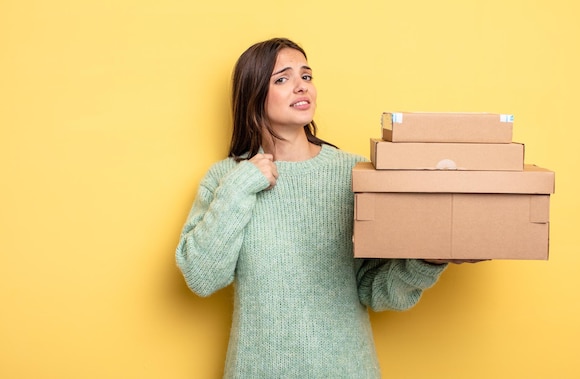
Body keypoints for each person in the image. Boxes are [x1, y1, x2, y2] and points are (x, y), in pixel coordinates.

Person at [176, 37, 460, 378]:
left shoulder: (354, 174)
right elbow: (202, 277)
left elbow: (375, 290)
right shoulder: (226, 178)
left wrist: (428, 260)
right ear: (253, 94)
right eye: (282, 79)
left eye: (306, 76)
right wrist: (242, 183)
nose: (300, 87)